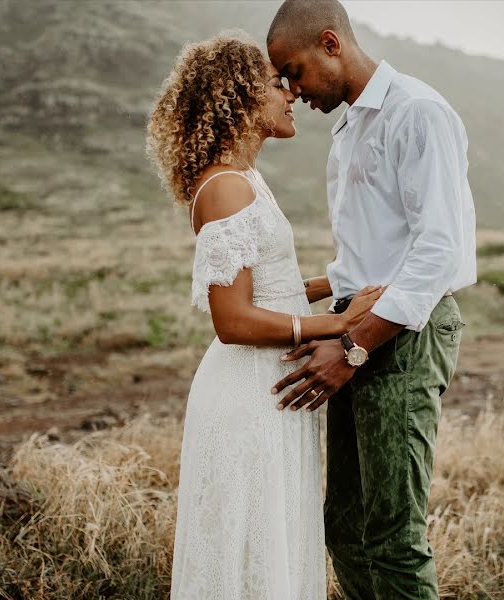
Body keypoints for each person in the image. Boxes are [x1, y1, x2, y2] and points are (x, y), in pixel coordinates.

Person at [146, 32, 384, 599]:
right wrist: (337, 323)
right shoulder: (226, 187)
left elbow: (267, 287)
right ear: (241, 96)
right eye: (278, 85)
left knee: (268, 537)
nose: (292, 95)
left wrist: (339, 285)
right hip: (248, 393)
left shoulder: (245, 180)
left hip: (271, 388)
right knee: (248, 541)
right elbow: (231, 320)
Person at [267, 1, 478, 598]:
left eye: (294, 70)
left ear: (330, 43)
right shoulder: (349, 127)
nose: (291, 88)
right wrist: (289, 293)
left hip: (403, 336)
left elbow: (438, 251)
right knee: (346, 529)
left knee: (391, 535)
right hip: (356, 326)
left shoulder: (418, 113)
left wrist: (352, 349)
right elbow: (366, 262)